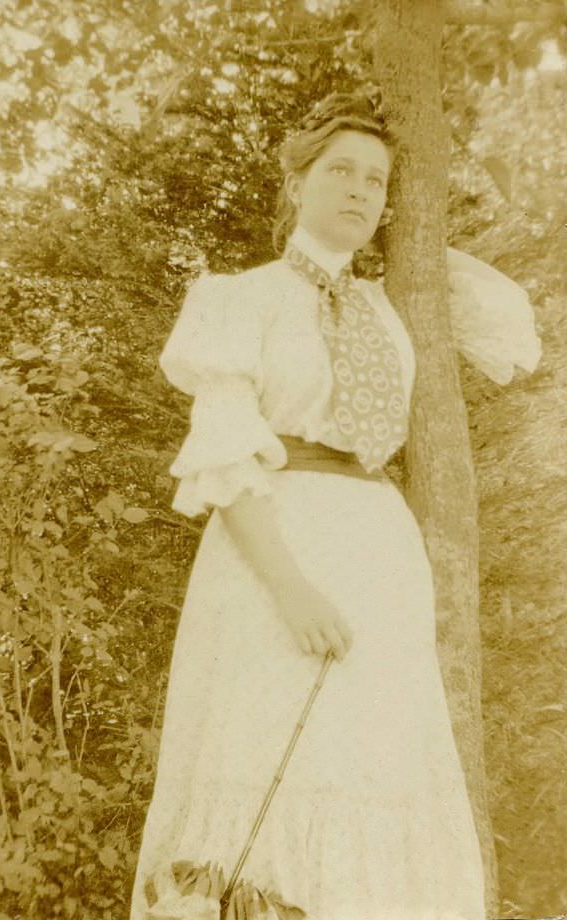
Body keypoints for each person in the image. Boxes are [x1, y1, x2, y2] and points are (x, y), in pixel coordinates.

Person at [130, 93, 542, 920]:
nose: (358, 190)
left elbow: (511, 340)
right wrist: (294, 591)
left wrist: (413, 240)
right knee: (268, 754)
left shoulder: (395, 306)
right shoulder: (239, 298)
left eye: (376, 180)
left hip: (377, 547)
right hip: (272, 546)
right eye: (339, 172)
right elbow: (225, 452)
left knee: (367, 759)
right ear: (295, 185)